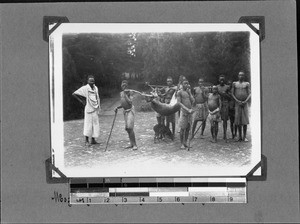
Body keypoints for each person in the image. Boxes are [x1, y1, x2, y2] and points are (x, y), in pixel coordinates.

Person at [72, 75, 101, 146]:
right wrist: (82, 101)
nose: (92, 82)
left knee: (95, 124)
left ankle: (93, 140)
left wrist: (98, 106)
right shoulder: (85, 88)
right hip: (88, 109)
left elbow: (97, 97)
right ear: (87, 81)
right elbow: (74, 94)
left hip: (95, 108)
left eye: (93, 81)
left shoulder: (95, 88)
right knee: (88, 125)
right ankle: (86, 140)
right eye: (90, 81)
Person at [114, 80, 138, 150]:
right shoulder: (121, 93)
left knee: (130, 127)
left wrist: (125, 95)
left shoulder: (130, 92)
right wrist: (117, 107)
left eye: (125, 85)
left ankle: (135, 145)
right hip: (125, 112)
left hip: (130, 111)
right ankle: (131, 144)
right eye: (122, 85)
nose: (123, 87)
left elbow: (130, 102)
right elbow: (122, 103)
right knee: (127, 128)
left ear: (127, 86)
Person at [231, 71, 251, 142]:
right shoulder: (234, 84)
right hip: (237, 104)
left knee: (244, 120)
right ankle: (239, 136)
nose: (241, 76)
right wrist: (237, 101)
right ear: (238, 76)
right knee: (238, 120)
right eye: (240, 75)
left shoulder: (247, 84)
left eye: (242, 75)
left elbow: (250, 93)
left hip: (244, 104)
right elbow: (232, 94)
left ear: (244, 76)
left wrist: (245, 101)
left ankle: (244, 136)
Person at [177, 80, 195, 149]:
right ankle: (182, 143)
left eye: (187, 83)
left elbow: (193, 101)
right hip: (184, 112)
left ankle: (185, 142)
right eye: (185, 83)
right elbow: (179, 103)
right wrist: (187, 109)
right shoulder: (179, 92)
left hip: (190, 112)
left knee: (188, 128)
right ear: (182, 84)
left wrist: (190, 93)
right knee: (182, 128)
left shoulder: (188, 92)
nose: (186, 85)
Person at [217, 75, 231, 141]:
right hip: (218, 104)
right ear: (219, 80)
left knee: (225, 120)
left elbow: (230, 97)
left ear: (224, 80)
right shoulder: (216, 87)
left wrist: (225, 94)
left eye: (223, 80)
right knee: (215, 120)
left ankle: (225, 134)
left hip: (225, 104)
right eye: (220, 80)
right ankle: (215, 136)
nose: (222, 81)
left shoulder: (227, 87)